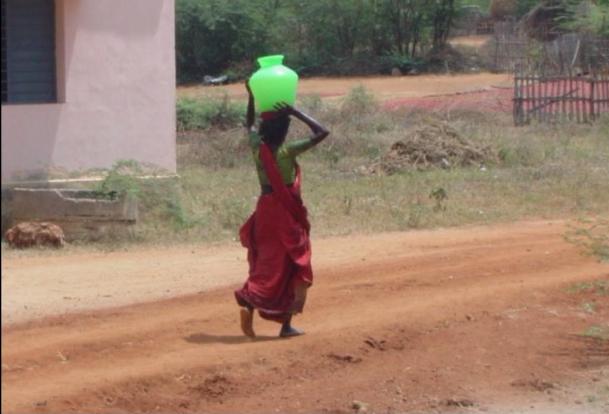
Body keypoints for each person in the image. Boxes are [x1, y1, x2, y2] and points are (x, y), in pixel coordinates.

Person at [234, 80, 329, 338]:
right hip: (284, 213)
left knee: (264, 260)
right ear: (284, 129)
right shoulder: (286, 151)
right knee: (292, 262)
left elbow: (249, 125)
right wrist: (295, 111)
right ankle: (285, 326)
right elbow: (322, 132)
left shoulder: (257, 147)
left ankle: (251, 303)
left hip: (264, 210)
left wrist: (253, 96)